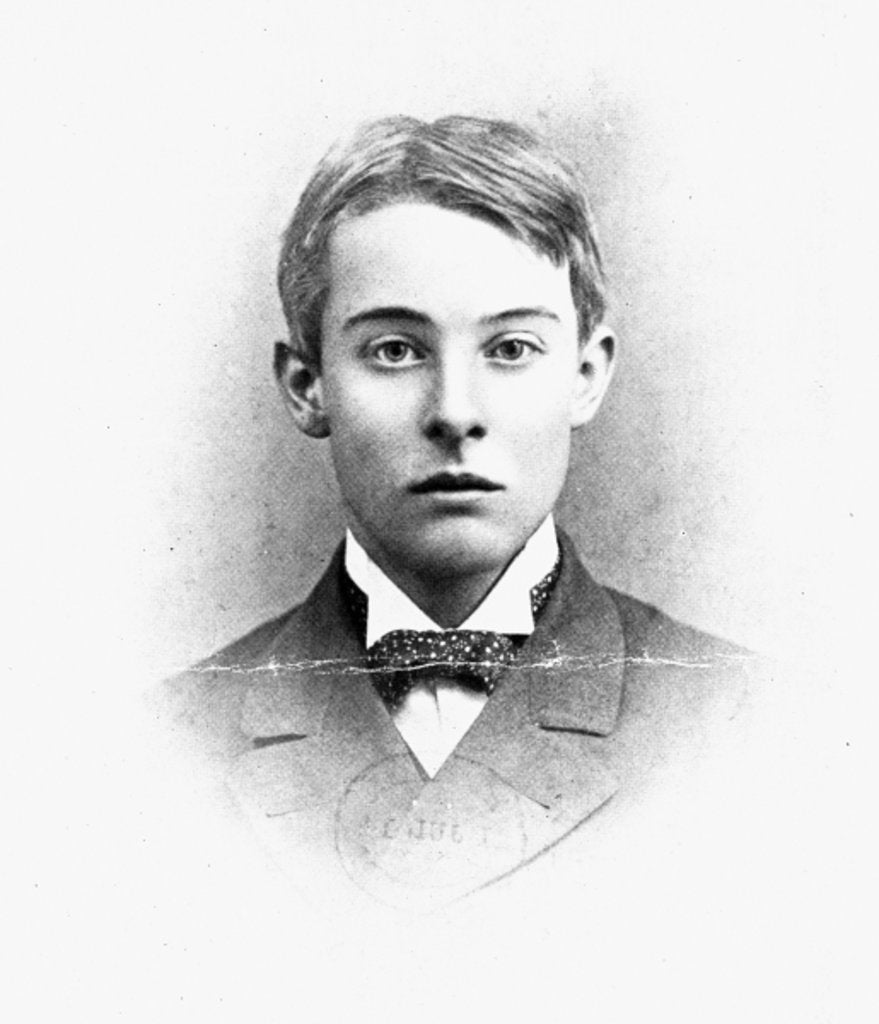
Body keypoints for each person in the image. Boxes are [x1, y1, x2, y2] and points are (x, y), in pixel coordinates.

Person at [156, 115, 764, 912]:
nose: (454, 413)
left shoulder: (765, 727)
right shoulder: (160, 744)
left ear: (584, 376)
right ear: (307, 385)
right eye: (395, 351)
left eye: (510, 349)